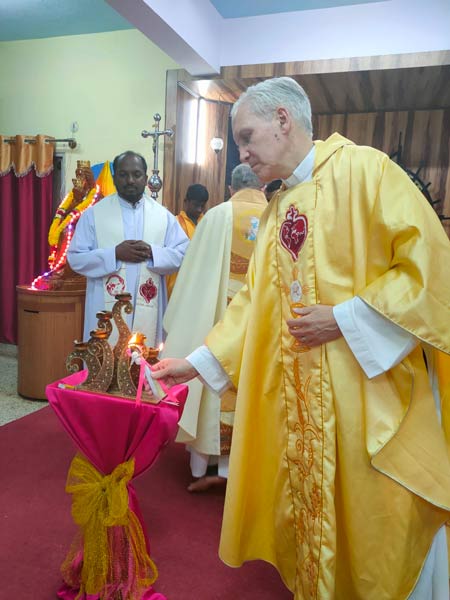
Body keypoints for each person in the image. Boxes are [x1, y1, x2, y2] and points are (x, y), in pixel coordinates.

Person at [152, 77, 450, 599]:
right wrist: (195, 363)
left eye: (246, 137)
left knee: (380, 531)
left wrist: (345, 319)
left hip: (368, 401)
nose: (241, 154)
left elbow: (429, 271)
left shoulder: (366, 171)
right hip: (306, 410)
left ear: (283, 120)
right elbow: (253, 305)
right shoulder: (278, 209)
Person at [163, 164, 267, 492]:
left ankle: (202, 464)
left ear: (231, 188)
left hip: (219, 319)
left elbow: (194, 275)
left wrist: (184, 316)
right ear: (263, 186)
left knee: (211, 375)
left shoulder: (217, 217)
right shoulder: (277, 217)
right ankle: (239, 472)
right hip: (260, 321)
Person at [67, 151, 189, 346]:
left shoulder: (163, 216)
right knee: (106, 358)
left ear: (145, 178)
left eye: (136, 174)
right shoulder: (94, 215)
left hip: (148, 304)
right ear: (114, 177)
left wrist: (152, 253)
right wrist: (114, 254)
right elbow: (75, 257)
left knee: (145, 358)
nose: (130, 180)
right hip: (104, 306)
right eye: (123, 175)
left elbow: (183, 254)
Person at [166, 183, 209, 297]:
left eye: (202, 206)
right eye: (196, 205)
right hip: (178, 281)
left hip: (201, 281)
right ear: (186, 202)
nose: (199, 209)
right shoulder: (175, 223)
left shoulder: (208, 223)